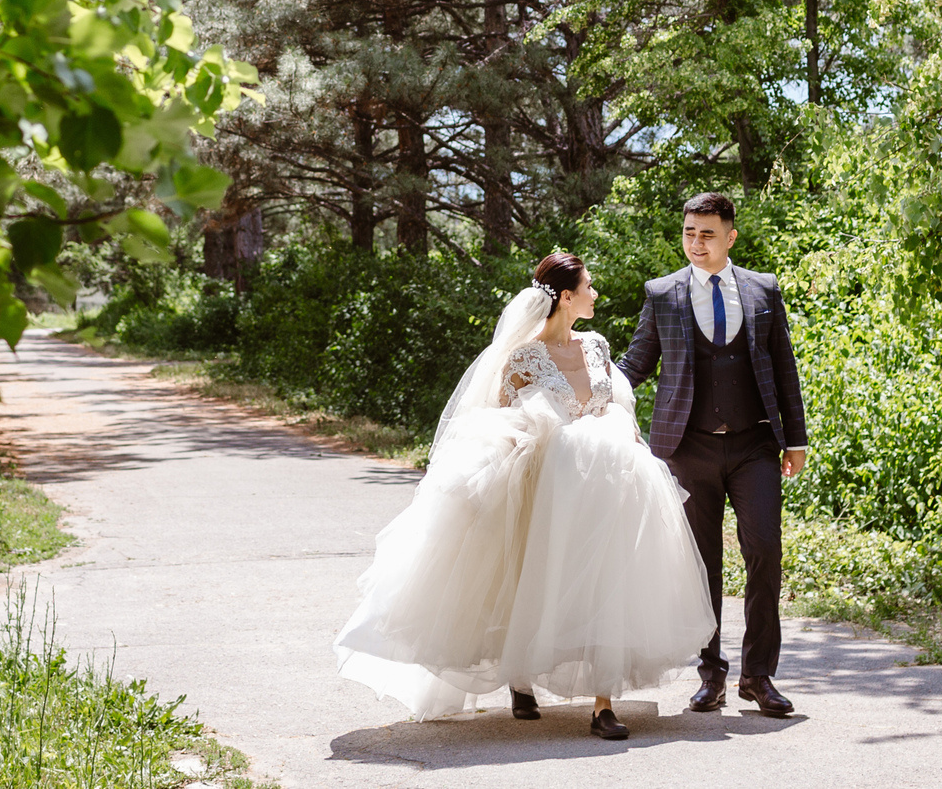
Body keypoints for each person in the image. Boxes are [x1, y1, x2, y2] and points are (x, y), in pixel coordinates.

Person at [334, 252, 714, 739]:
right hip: (552, 478)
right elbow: (501, 418)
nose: (596, 293)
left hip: (610, 479)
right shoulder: (524, 357)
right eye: (589, 286)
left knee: (608, 580)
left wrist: (632, 442)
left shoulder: (597, 346)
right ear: (566, 296)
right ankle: (520, 677)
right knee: (530, 575)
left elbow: (617, 404)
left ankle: (602, 703)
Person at [616, 191, 810, 718]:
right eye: (688, 233)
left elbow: (783, 367)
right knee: (702, 566)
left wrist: (797, 438)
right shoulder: (663, 294)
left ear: (730, 236)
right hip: (687, 447)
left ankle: (758, 675)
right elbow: (637, 363)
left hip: (754, 445)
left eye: (706, 234)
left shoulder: (763, 289)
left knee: (764, 550)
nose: (696, 243)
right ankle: (712, 675)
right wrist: (588, 389)